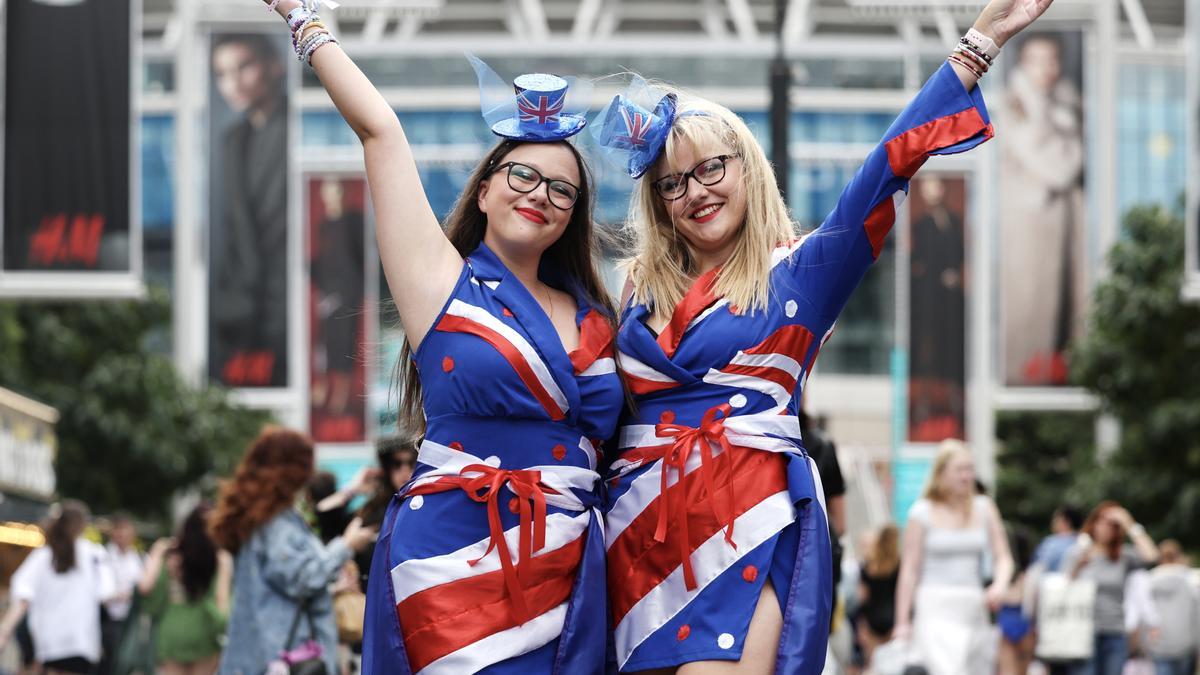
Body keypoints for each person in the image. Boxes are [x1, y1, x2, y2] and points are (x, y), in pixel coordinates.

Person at [593, 0, 1051, 671]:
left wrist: (975, 47)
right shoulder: (633, 290)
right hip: (637, 527)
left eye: (711, 168)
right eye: (671, 182)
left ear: (747, 166)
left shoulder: (799, 270)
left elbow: (882, 171)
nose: (695, 191)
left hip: (743, 520)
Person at [260, 6, 625, 672]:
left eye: (561, 188)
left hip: (570, 566)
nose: (539, 193)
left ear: (574, 214)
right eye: (523, 175)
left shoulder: (599, 315)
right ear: (485, 189)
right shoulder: (440, 283)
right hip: (453, 554)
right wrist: (305, 21)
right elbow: (380, 132)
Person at [209, 427, 377, 675]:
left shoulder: (260, 519)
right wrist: (347, 546)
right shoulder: (276, 524)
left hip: (262, 657)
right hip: (284, 658)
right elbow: (303, 577)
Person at [999, 32, 1086, 386]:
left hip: (1061, 228)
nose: (1046, 69)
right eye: (1038, 60)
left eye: (1052, 60)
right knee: (1029, 313)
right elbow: (1057, 168)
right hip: (1026, 229)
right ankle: (1027, 383)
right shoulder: (1015, 104)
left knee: (1064, 313)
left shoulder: (1065, 103)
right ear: (1023, 63)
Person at [209, 33, 289, 388]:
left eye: (244, 67)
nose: (233, 83)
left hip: (287, 298)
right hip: (245, 304)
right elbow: (236, 228)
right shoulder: (232, 141)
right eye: (223, 73)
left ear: (274, 67)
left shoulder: (297, 125)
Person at [892, 441, 1014, 675]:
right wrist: (902, 621)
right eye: (960, 469)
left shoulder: (984, 507)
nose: (967, 476)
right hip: (934, 606)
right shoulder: (921, 512)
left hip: (973, 605)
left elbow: (1004, 557)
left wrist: (999, 585)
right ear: (941, 473)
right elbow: (909, 570)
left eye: (970, 469)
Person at [0, 500, 116, 675]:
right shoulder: (94, 554)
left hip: (49, 642)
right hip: (80, 641)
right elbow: (107, 592)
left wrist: (5, 629)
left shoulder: (45, 555)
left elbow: (23, 595)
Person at [1061, 501, 1160, 675]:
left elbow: (1151, 556)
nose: (1105, 528)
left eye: (1112, 525)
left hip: (1114, 631)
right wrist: (1078, 567)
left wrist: (1129, 523)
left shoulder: (1123, 556)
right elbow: (1063, 587)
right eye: (1102, 522)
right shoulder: (1078, 552)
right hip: (1082, 632)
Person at [138, 503, 233, 675]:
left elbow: (145, 587)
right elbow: (222, 602)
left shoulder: (172, 553)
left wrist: (157, 552)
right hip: (205, 632)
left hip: (172, 632)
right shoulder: (220, 558)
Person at [1146, 540, 1199, 675]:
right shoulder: (1192, 580)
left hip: (1158, 644)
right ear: (1178, 556)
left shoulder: (1148, 581)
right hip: (1186, 644)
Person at [100, 513, 144, 675]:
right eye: (119, 532)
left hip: (129, 621)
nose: (122, 537)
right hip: (107, 620)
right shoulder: (103, 556)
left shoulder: (139, 558)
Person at [856, 525, 900, 673]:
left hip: (874, 622)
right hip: (891, 621)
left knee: (874, 665)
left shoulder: (868, 568)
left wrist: (862, 625)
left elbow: (862, 598)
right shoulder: (896, 566)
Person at [1035, 504, 1085, 573]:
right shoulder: (1084, 541)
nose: (1053, 522)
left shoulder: (1051, 543)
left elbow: (1041, 565)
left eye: (1056, 518)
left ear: (1066, 521)